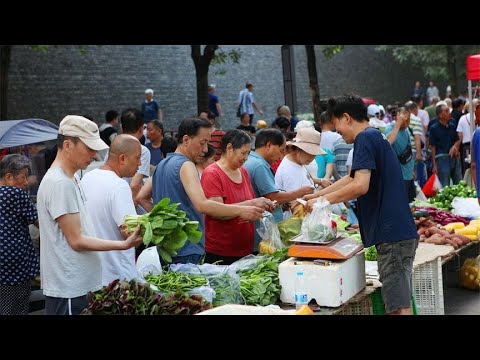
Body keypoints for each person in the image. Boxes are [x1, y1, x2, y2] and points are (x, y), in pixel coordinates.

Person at [305, 94, 418, 315]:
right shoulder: (374, 136)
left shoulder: (365, 139)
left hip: (391, 234)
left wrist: (322, 201)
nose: (338, 133)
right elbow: (350, 178)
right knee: (398, 301)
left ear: (346, 118)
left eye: (337, 127)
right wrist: (315, 197)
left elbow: (360, 186)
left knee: (398, 307)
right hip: (397, 232)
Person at [37, 115, 142, 315]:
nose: (94, 155)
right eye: (89, 148)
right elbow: (76, 240)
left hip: (80, 287)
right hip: (69, 290)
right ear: (68, 145)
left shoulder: (72, 178)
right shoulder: (60, 183)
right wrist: (123, 244)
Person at [136, 118, 265, 265]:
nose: (205, 149)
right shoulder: (186, 165)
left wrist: (166, 222)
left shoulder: (162, 164)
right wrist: (241, 211)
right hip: (187, 250)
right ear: (186, 140)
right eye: (202, 143)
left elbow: (142, 197)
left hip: (166, 249)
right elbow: (203, 205)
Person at [201, 129, 276, 265]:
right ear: (229, 148)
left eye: (248, 153)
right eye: (243, 153)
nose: (246, 158)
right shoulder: (212, 174)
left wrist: (261, 206)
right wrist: (252, 204)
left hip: (245, 250)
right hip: (221, 252)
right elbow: (217, 211)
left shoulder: (243, 171)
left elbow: (248, 205)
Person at [80, 134, 142, 286]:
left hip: (93, 275)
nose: (140, 163)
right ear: (122, 158)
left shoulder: (87, 177)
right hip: (117, 276)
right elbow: (128, 232)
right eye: (137, 158)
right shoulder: (119, 185)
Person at [244, 128, 314, 252]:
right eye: (281, 151)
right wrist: (300, 192)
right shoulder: (259, 165)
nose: (281, 157)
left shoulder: (254, 161)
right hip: (260, 231)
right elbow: (273, 196)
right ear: (269, 145)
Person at [0, 154, 39, 315]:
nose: (25, 182)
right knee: (17, 307)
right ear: (8, 177)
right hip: (14, 265)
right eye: (23, 177)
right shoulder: (15, 194)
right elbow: (38, 221)